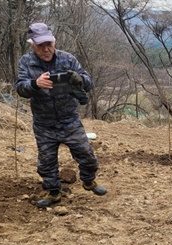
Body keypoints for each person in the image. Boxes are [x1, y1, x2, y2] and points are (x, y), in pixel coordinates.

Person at [15, 22, 106, 209]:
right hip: (44, 123)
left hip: (69, 119)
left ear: (54, 42)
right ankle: (53, 193)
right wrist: (35, 83)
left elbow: (89, 83)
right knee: (47, 162)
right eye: (41, 45)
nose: (46, 49)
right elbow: (20, 88)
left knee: (86, 155)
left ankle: (89, 181)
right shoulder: (26, 62)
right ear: (32, 44)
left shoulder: (68, 59)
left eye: (49, 44)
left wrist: (79, 80)